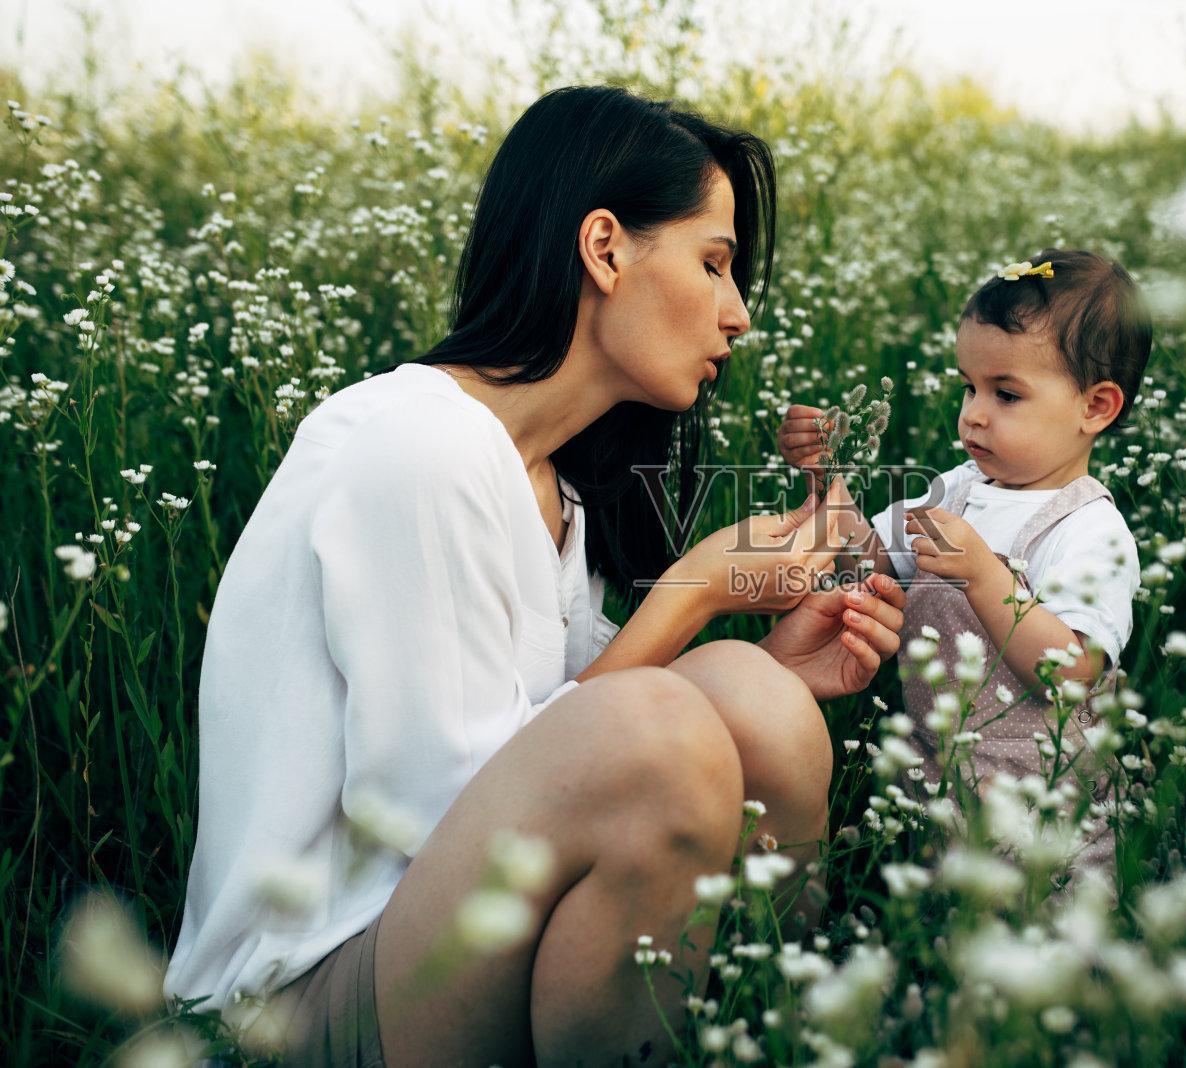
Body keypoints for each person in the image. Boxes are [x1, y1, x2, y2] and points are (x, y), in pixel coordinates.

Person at [162, 86, 907, 1068]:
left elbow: (552, 752)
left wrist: (773, 656)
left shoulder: (555, 486)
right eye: (714, 264)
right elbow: (460, 809)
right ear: (605, 249)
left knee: (754, 700)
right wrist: (693, 591)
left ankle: (787, 1023)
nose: (736, 317)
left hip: (435, 940)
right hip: (300, 997)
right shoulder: (417, 445)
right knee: (662, 731)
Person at [778, 249, 1148, 834]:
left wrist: (985, 577)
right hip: (934, 770)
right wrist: (830, 481)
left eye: (1005, 394)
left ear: (1094, 406)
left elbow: (1073, 674)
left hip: (1042, 799)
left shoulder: (1089, 530)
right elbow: (862, 564)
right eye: (967, 388)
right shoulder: (956, 490)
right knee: (928, 914)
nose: (972, 415)